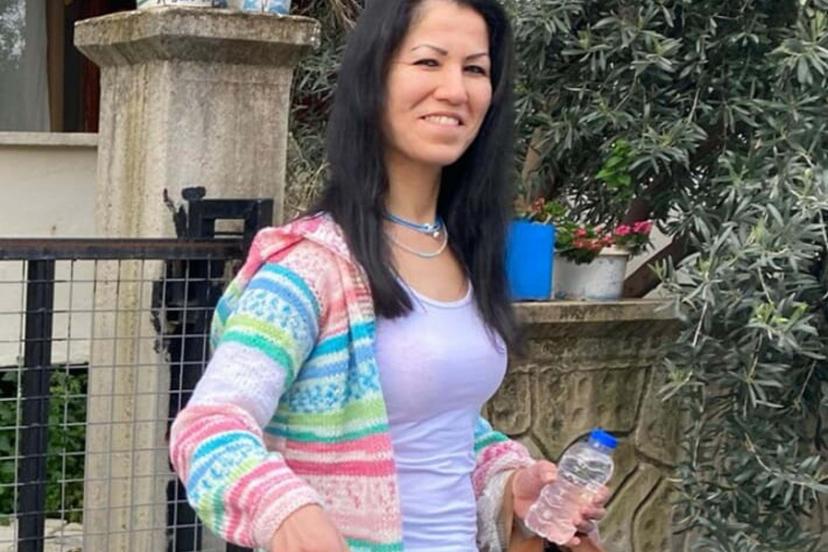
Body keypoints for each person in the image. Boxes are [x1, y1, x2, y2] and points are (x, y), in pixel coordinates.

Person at [169, 0, 609, 550]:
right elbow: (208, 427)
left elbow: (435, 432)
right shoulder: (310, 265)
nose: (455, 90)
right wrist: (283, 510)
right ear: (373, 78)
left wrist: (509, 485)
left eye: (475, 69)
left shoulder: (464, 253)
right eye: (428, 62)